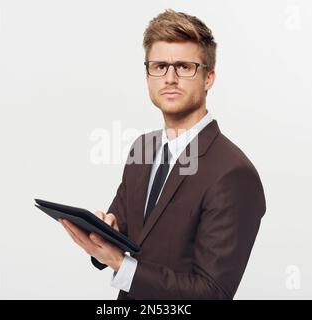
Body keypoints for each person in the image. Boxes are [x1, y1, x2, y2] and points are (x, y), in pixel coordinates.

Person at [59, 9, 266, 300]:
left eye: (184, 67)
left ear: (208, 78)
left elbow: (212, 294)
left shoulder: (233, 173)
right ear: (147, 76)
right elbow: (127, 234)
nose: (170, 78)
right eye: (159, 66)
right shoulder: (142, 149)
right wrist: (103, 234)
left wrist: (121, 264)